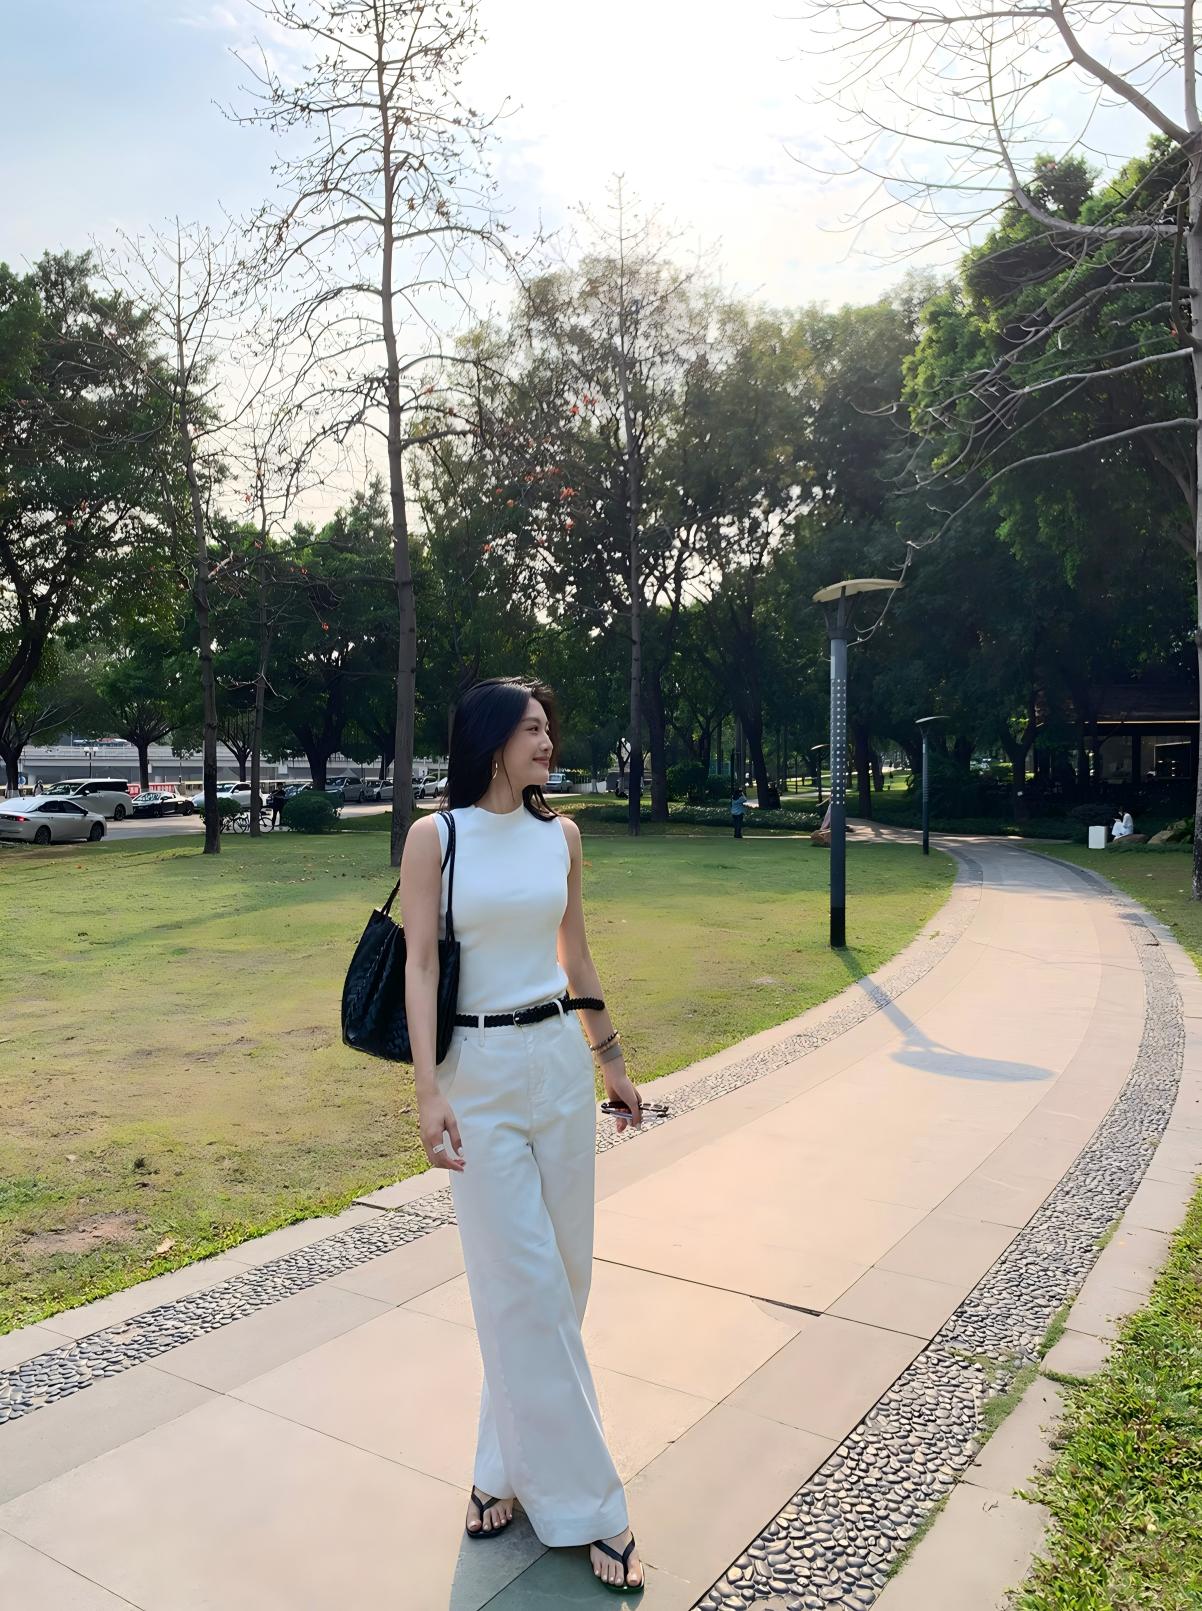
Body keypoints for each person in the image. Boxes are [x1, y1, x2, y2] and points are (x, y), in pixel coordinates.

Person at [399, 677, 646, 1593]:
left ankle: (498, 1465)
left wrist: (611, 1062)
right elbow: (421, 968)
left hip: (555, 1060)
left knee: (563, 1278)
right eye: (532, 728)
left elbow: (574, 953)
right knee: (526, 1284)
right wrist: (428, 1092)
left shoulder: (562, 836)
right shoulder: (437, 837)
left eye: (549, 725)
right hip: (479, 1074)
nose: (547, 740)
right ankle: (593, 1505)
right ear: (492, 739)